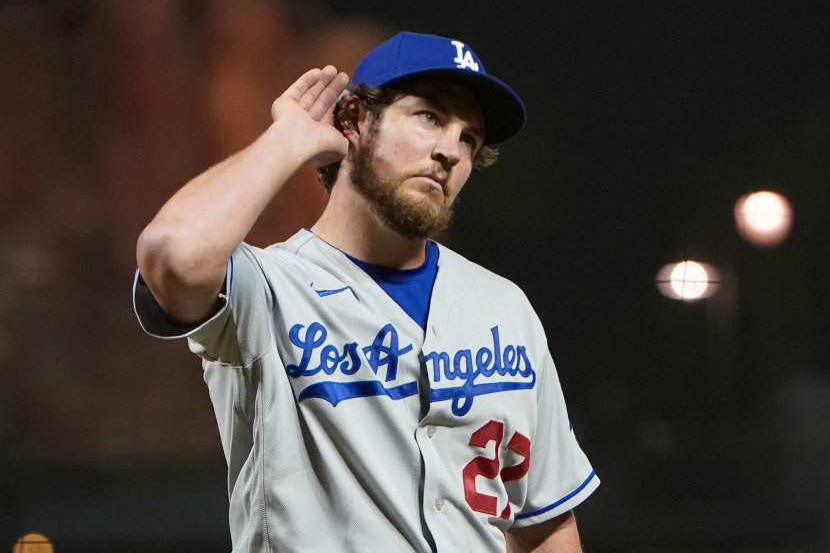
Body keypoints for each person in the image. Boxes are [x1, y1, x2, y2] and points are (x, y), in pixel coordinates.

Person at [134, 31, 599, 553]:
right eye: (429, 116)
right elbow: (172, 254)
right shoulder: (269, 290)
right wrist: (288, 140)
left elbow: (545, 526)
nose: (450, 150)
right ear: (354, 118)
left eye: (469, 138)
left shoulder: (504, 306)